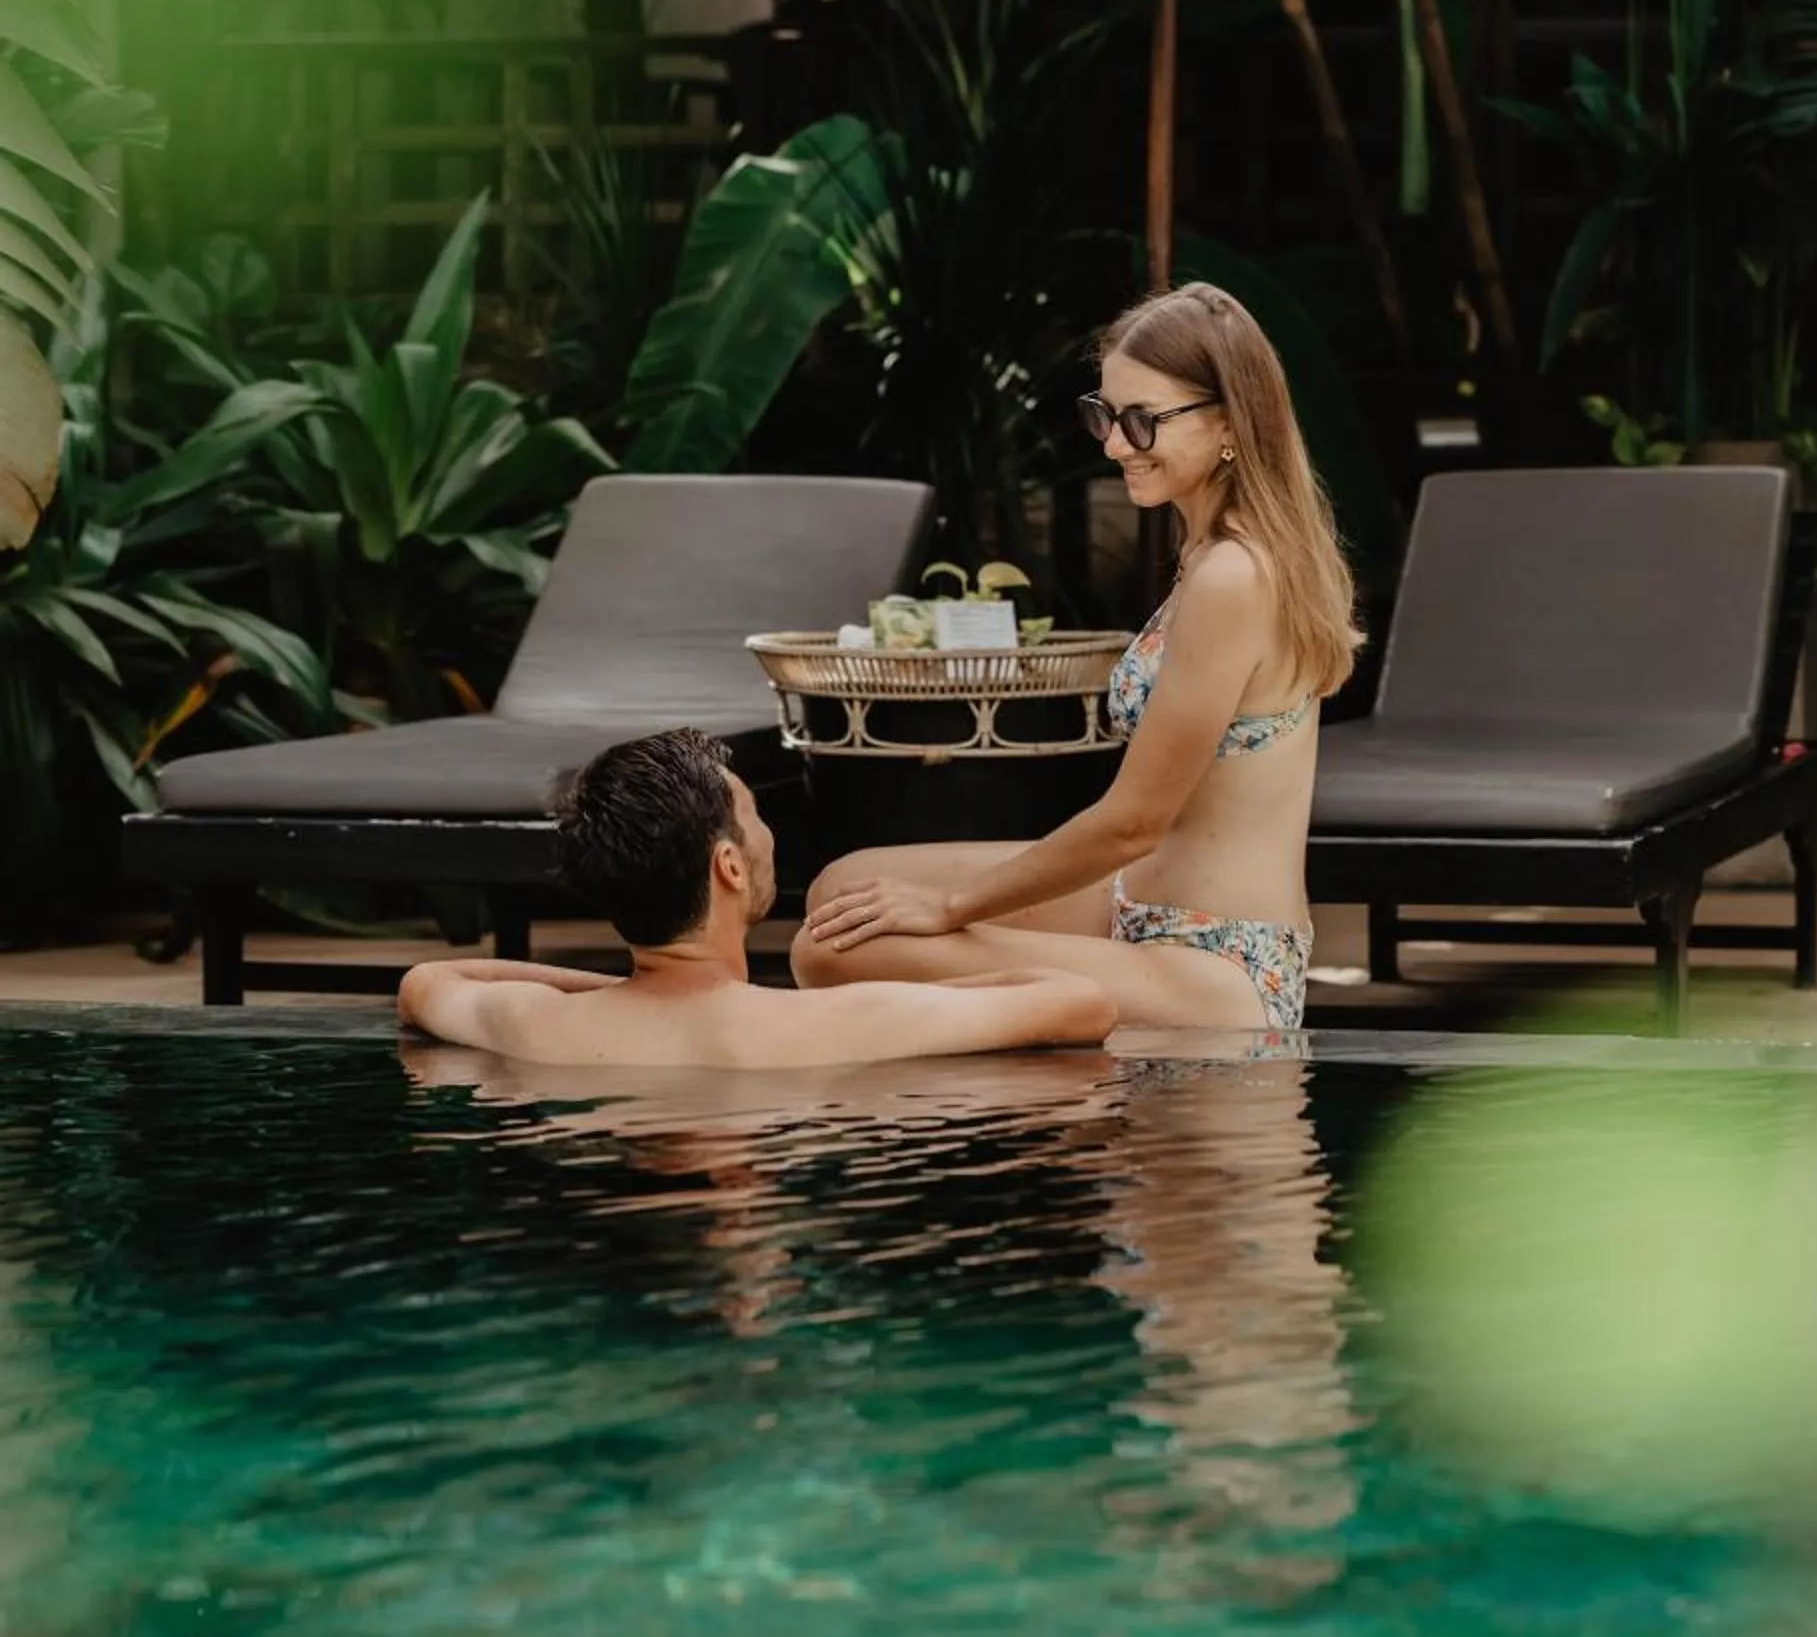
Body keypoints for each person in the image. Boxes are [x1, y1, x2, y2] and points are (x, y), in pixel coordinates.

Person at [797, 281, 1362, 1032]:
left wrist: (952, 907)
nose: (1114, 445)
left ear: (1228, 420)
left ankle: (1036, 1072)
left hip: (1214, 958)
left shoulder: (1234, 576)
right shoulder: (1214, 551)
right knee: (845, 892)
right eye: (1106, 415)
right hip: (1136, 903)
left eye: (1142, 421)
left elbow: (1135, 822)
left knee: (832, 950)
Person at [395, 729, 1117, 1070]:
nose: (770, 833)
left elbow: (426, 982)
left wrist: (621, 991)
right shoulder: (836, 1021)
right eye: (754, 815)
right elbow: (1079, 1004)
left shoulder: (532, 1024)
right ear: (730, 866)